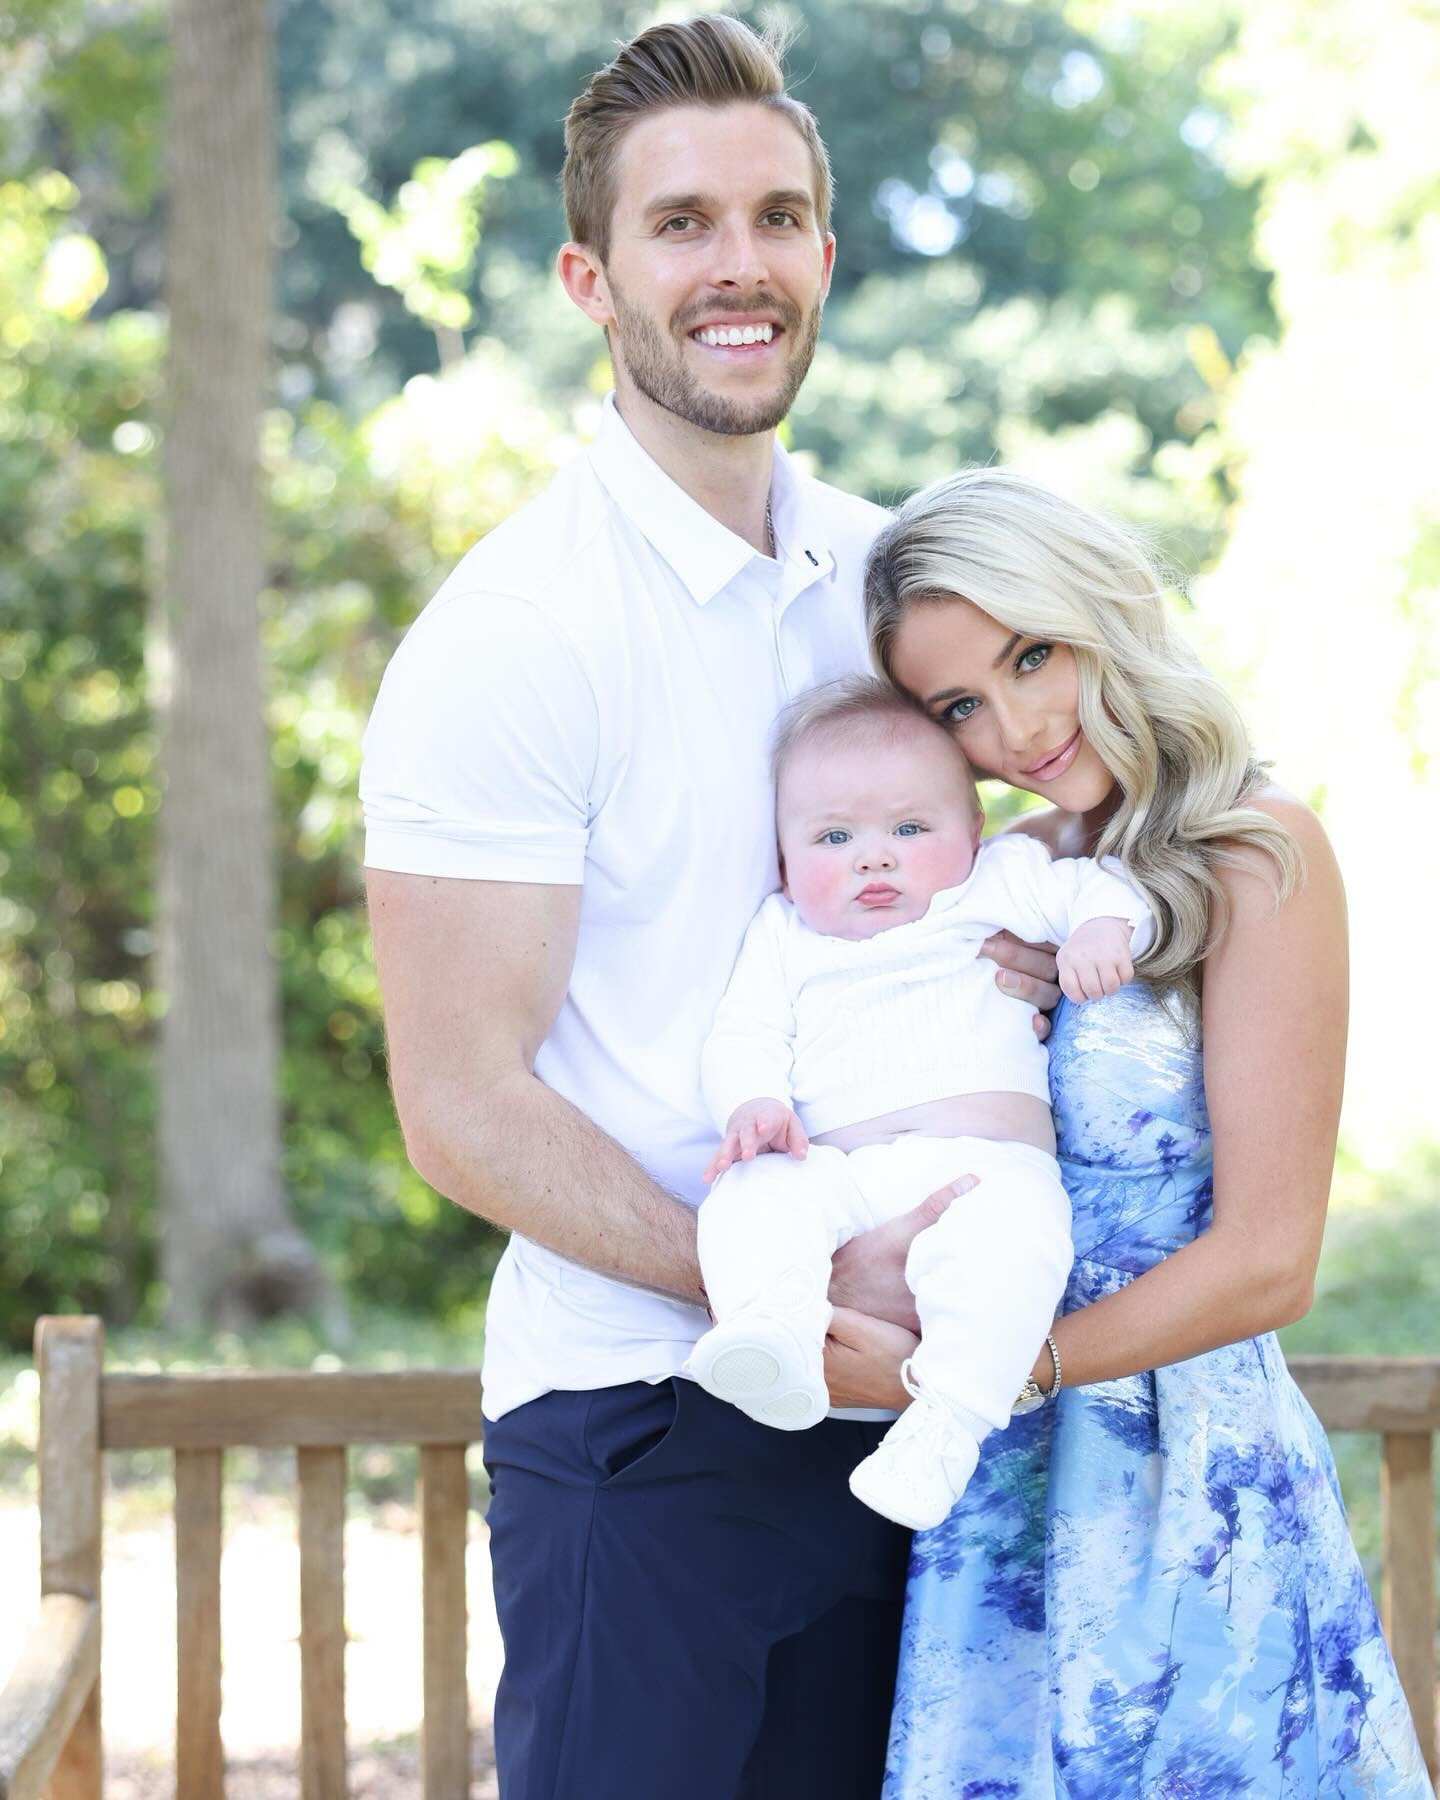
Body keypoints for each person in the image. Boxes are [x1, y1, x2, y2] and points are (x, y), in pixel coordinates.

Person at [360, 20, 1055, 1798]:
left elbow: (1087, 812)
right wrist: (783, 1293)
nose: (738, 263)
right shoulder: (514, 635)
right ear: (591, 280)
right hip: (643, 1425)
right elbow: (461, 1105)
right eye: (681, 224)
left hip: (913, 1415)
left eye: (776, 217)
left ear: (825, 252)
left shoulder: (896, 586)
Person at [820, 467, 1433, 1797]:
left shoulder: (1254, 852)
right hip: (991, 1489)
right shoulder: (998, 873)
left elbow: (1271, 1262)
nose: (1018, 726)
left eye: (1031, 654)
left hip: (1182, 1482)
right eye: (959, 705)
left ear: (1098, 608)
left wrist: (1002, 1374)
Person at [689, 676, 1153, 1531]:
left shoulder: (1000, 881)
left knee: (1012, 1254)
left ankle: (947, 1427)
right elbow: (742, 1031)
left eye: (909, 829)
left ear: (975, 829)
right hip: (838, 1171)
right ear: (784, 857)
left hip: (987, 1169)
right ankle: (773, 1328)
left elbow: (1107, 885)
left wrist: (1101, 930)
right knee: (749, 1191)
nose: (874, 857)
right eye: (834, 836)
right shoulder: (784, 932)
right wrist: (753, 1102)